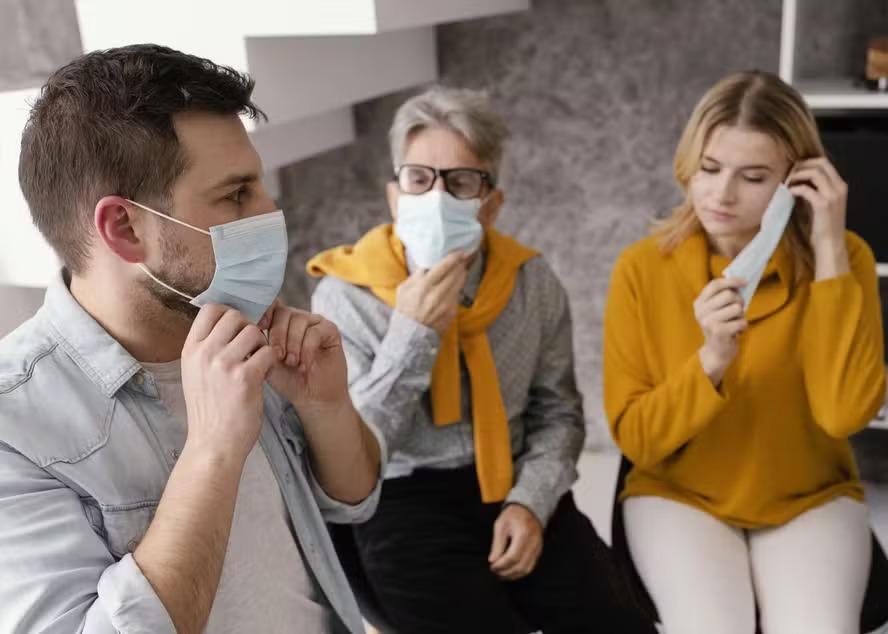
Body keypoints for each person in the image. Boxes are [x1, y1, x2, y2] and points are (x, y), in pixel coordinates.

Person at [0, 44, 383, 634]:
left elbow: (354, 499)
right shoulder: (14, 427)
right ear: (124, 228)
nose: (270, 210)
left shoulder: (238, 324)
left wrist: (325, 406)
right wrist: (213, 450)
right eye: (236, 194)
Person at [308, 86, 655, 634]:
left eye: (462, 181)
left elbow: (557, 415)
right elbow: (356, 449)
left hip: (510, 476)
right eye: (420, 178)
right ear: (396, 196)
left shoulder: (531, 283)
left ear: (491, 203)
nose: (438, 198)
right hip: (402, 495)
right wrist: (414, 332)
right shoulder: (345, 295)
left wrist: (531, 503)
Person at [603, 70, 886, 633]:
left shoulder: (845, 258)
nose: (721, 194)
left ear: (795, 181)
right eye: (710, 169)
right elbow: (636, 438)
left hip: (811, 497)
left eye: (753, 177)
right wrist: (709, 362)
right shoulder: (642, 268)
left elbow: (843, 413)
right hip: (679, 497)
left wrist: (829, 247)